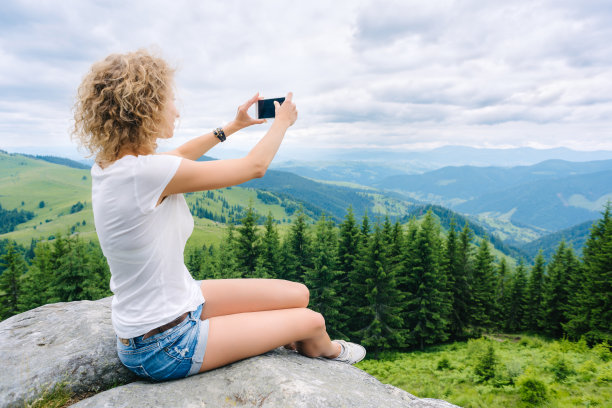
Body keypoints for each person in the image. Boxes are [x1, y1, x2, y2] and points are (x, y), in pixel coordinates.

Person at [72, 50, 365, 381]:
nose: (176, 110)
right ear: (146, 108)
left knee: (298, 294)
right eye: (169, 101)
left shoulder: (115, 166)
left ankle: (282, 332)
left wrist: (234, 126)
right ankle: (323, 349)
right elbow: (254, 167)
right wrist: (282, 122)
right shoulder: (145, 175)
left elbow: (180, 154)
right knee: (313, 322)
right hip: (163, 344)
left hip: (177, 304)